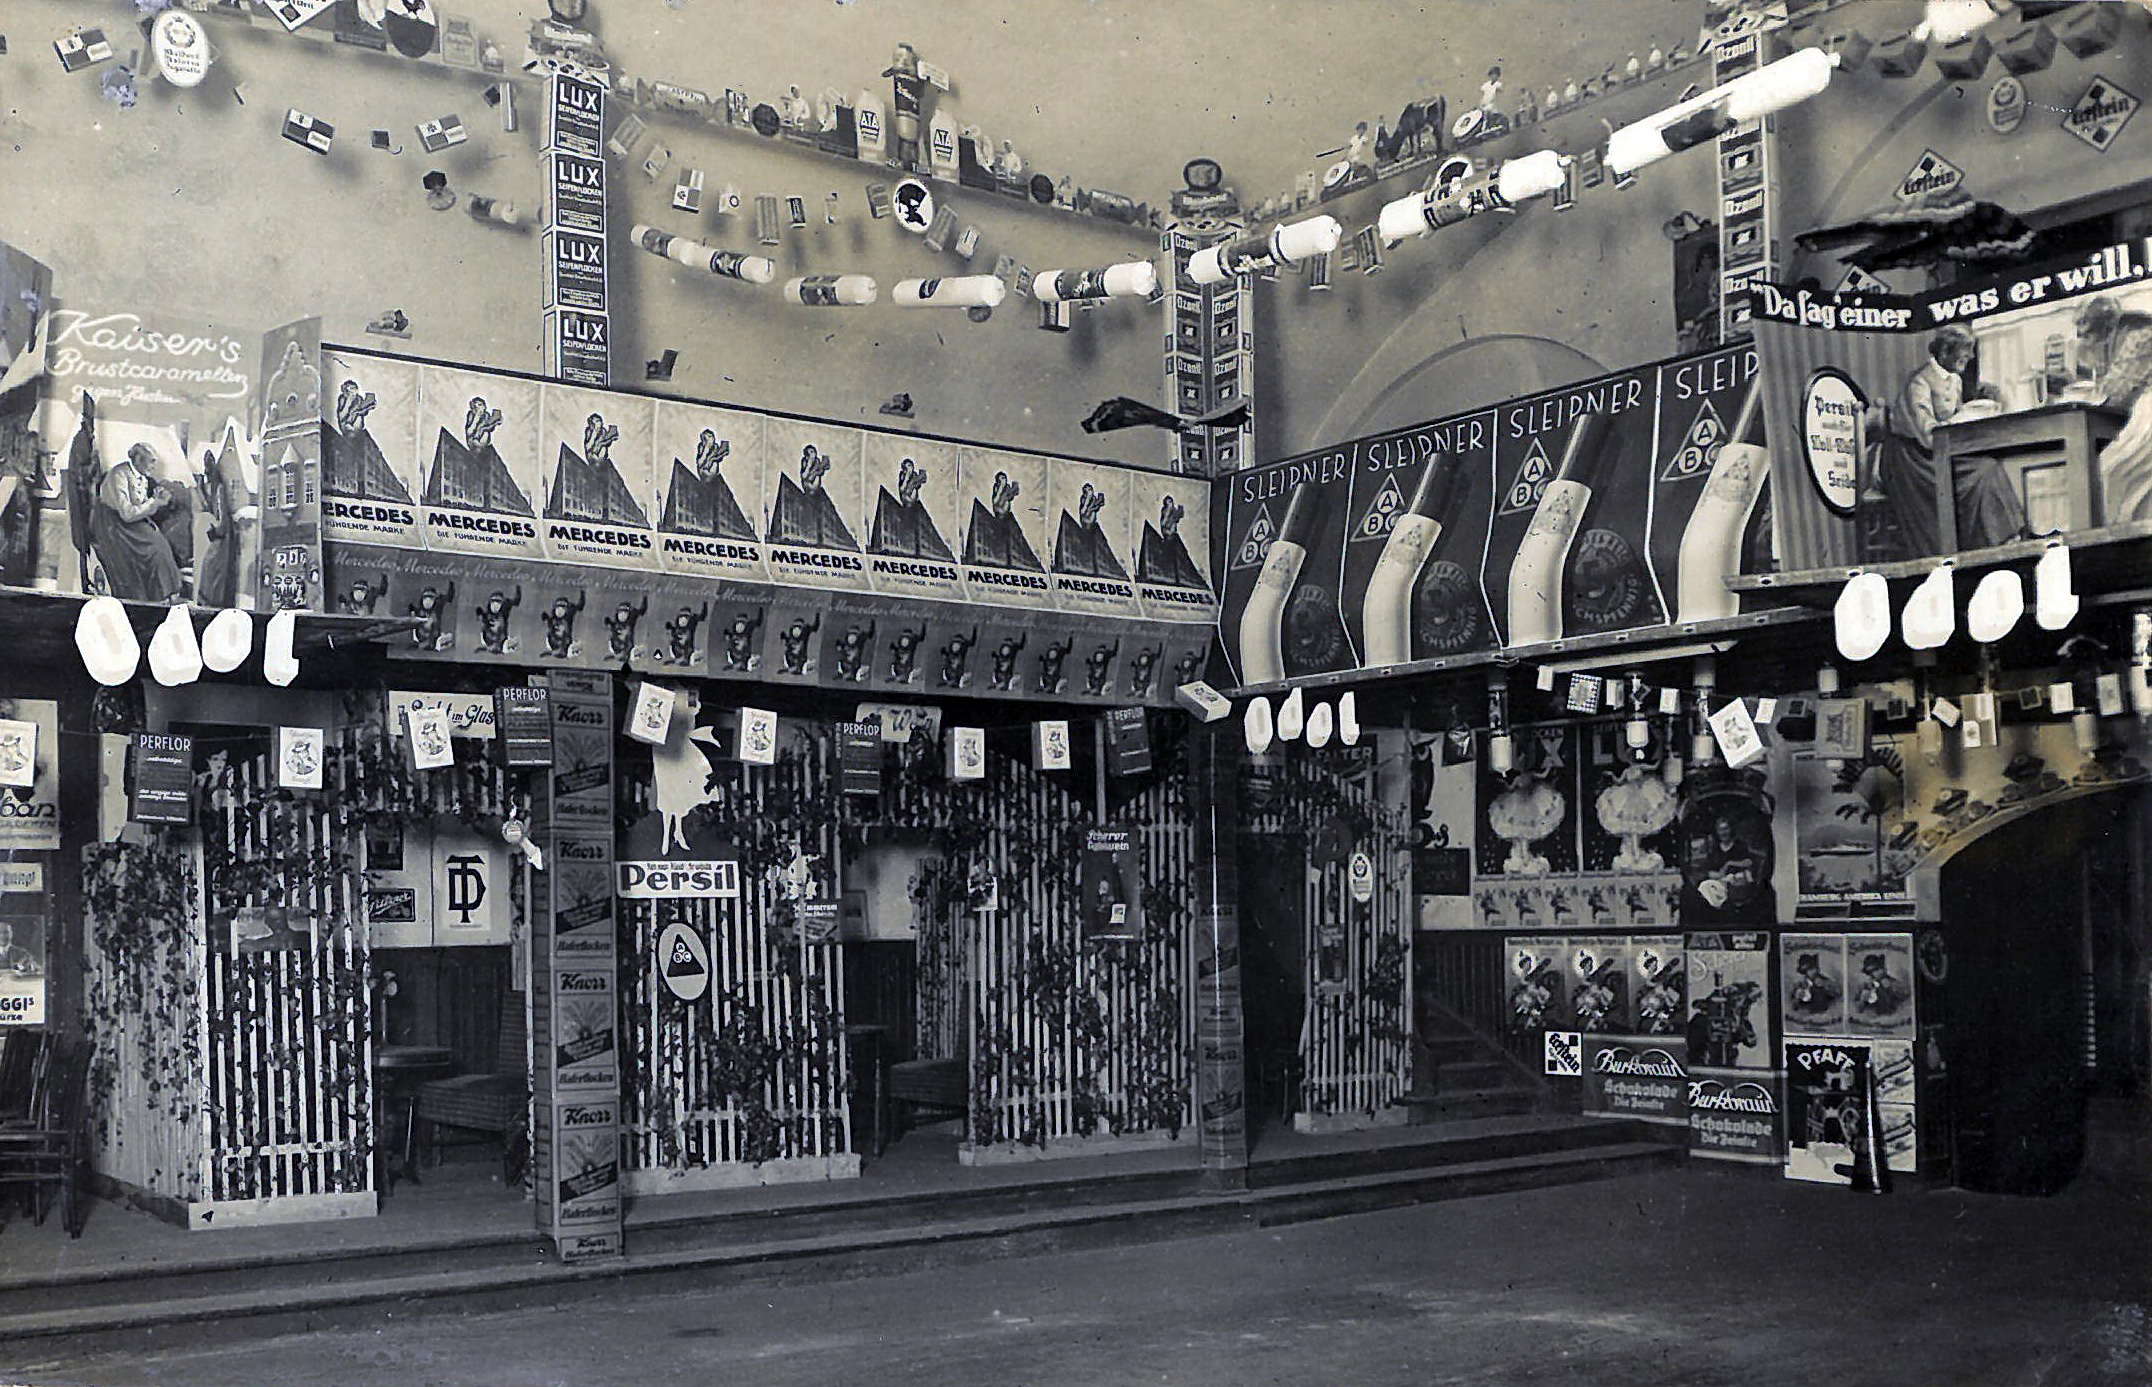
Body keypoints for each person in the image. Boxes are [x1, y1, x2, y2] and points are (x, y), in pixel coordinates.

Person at [1876, 325, 2029, 554]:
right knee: (1983, 471)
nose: (1971, 356)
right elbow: (1926, 434)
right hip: (1913, 460)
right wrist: (1955, 424)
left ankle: (2004, 538)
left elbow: (1955, 416)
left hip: (1941, 451)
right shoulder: (1919, 382)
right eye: (1965, 350)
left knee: (1989, 465)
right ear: (1946, 351)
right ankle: (1996, 542)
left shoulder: (1955, 380)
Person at [73, 394, 186, 603]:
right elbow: (127, 513)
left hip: (129, 522)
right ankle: (154, 596)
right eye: (151, 462)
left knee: (159, 543)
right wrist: (154, 503)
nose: (154, 466)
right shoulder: (119, 475)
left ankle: (166, 594)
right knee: (154, 548)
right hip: (113, 524)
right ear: (139, 459)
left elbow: (144, 502)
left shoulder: (142, 476)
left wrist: (160, 499)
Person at [2074, 296, 2152, 522]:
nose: (2084, 340)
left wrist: (2095, 394)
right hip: (2142, 409)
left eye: (2087, 333)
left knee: (2109, 470)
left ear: (2101, 326)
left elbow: (2118, 391)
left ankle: (2114, 541)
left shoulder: (2138, 334)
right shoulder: (2129, 333)